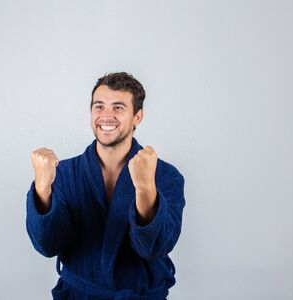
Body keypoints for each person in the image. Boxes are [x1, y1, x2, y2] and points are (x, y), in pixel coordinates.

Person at [26, 72, 186, 299]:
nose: (106, 115)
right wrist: (42, 187)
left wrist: (145, 188)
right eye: (98, 106)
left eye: (118, 107)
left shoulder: (166, 176)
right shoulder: (63, 173)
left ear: (137, 117)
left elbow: (154, 248)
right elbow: (48, 246)